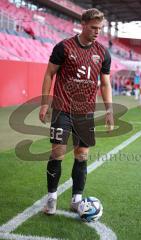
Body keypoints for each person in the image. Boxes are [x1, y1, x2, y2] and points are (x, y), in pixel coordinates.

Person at [39, 8, 114, 215]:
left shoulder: (102, 53)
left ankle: (76, 199)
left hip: (85, 113)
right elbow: (49, 74)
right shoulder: (63, 47)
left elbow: (105, 84)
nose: (97, 32)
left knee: (82, 155)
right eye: (93, 27)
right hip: (62, 108)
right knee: (58, 152)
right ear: (83, 24)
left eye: (99, 28)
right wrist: (45, 102)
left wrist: (109, 110)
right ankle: (52, 198)